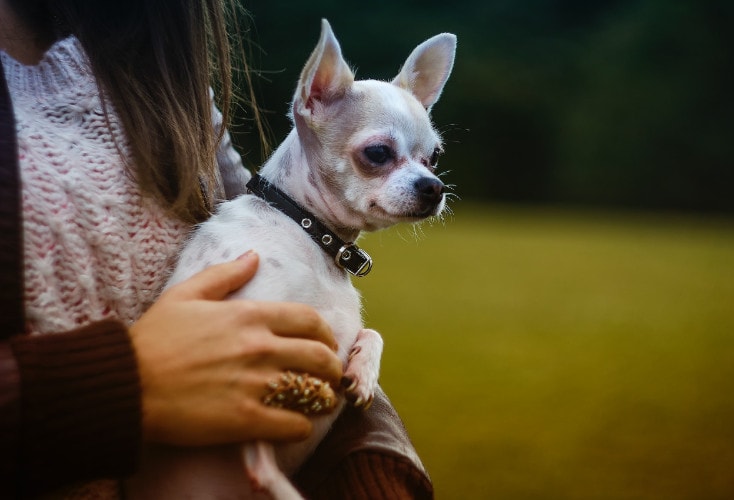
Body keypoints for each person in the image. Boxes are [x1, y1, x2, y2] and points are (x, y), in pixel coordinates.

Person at [0, 0, 433, 498]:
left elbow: (301, 310)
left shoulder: (159, 65)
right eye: (378, 155)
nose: (427, 179)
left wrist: (374, 471)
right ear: (313, 101)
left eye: (431, 156)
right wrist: (123, 381)